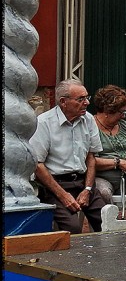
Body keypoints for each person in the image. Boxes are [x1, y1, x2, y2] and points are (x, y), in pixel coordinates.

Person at [29, 79, 105, 234]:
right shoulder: (44, 123)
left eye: (87, 97)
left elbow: (91, 157)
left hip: (83, 182)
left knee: (107, 222)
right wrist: (63, 196)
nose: (87, 103)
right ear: (63, 102)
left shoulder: (88, 119)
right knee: (72, 229)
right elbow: (38, 165)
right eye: (80, 99)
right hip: (56, 186)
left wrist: (88, 189)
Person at [92, 85, 126, 215]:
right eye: (121, 112)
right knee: (102, 192)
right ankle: (106, 229)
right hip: (102, 177)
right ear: (107, 111)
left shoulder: (123, 126)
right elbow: (89, 161)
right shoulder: (90, 127)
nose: (124, 116)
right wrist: (118, 163)